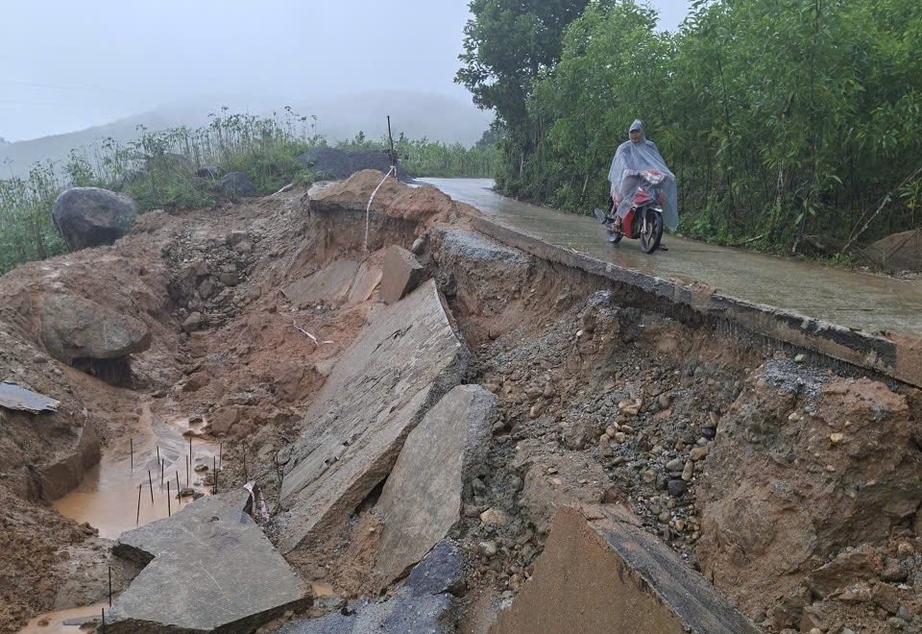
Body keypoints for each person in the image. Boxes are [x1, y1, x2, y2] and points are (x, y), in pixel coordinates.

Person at [607, 119, 678, 233]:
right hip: (631, 177)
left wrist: (668, 173)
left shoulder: (650, 146)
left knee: (659, 197)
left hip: (647, 178)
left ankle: (656, 233)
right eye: (632, 132)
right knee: (629, 197)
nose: (634, 135)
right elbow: (621, 160)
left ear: (642, 132)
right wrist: (627, 170)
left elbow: (658, 162)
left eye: (637, 132)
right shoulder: (624, 147)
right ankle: (617, 221)